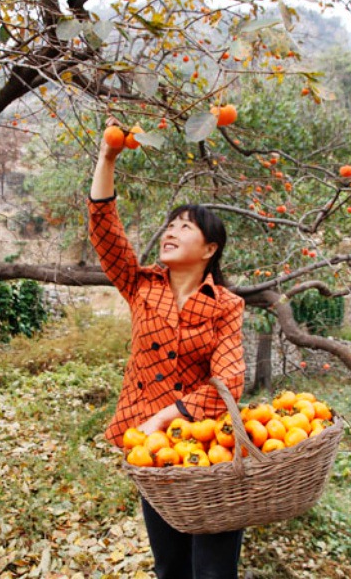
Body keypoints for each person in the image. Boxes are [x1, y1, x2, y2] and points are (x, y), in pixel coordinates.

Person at [88, 121, 247, 579]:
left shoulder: (227, 306)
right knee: (170, 568)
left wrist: (164, 416)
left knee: (213, 573)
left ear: (209, 248)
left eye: (186, 227)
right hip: (155, 455)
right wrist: (108, 158)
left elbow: (230, 381)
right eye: (171, 224)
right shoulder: (139, 285)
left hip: (209, 448)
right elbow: (105, 229)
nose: (172, 231)